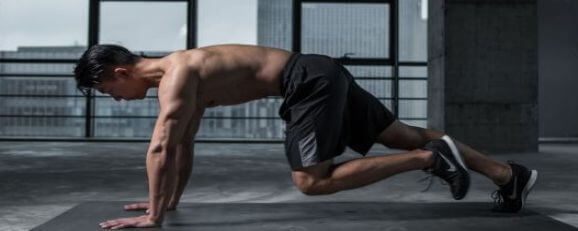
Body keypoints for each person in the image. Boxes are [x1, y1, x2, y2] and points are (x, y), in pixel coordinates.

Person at [73, 44, 538, 230]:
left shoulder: (176, 78)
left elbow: (159, 147)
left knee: (311, 180)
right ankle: (507, 175)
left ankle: (430, 161)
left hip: (306, 81)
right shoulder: (182, 77)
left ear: (120, 71)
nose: (115, 99)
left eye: (109, 91)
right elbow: (182, 145)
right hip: (319, 70)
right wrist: (166, 203)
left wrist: (152, 219)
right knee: (400, 133)